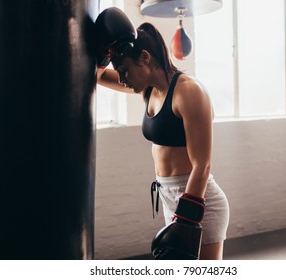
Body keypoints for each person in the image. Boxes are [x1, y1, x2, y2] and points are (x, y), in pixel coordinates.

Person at [95, 8, 229, 260]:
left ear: (144, 58)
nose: (122, 79)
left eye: (124, 70)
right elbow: (98, 76)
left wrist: (186, 219)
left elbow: (203, 164)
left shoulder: (189, 92)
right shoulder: (148, 89)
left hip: (199, 202)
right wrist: (103, 54)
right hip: (170, 198)